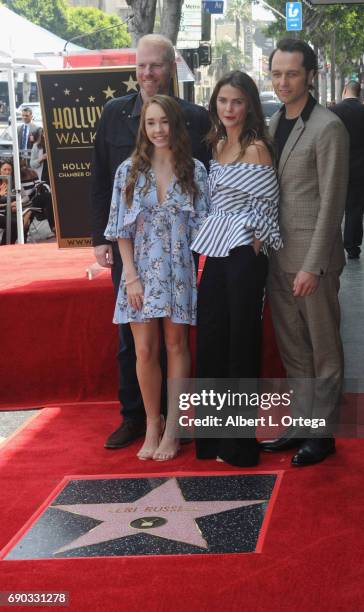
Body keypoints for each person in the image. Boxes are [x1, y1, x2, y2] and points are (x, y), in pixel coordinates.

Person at [91, 34, 210, 450]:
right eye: (150, 123)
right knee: (140, 349)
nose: (146, 73)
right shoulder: (127, 165)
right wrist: (130, 275)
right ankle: (147, 423)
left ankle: (175, 427)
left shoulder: (195, 163)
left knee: (177, 344)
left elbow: (207, 222)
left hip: (179, 267)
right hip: (137, 269)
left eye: (154, 65)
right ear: (142, 126)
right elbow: (114, 215)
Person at [260, 39, 349, 466]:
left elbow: (332, 203)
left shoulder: (328, 127)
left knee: (323, 347)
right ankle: (301, 423)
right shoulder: (274, 121)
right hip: (277, 256)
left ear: (310, 75)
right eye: (277, 73)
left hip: (312, 261)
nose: (282, 81)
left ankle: (324, 433)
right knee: (293, 348)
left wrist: (313, 265)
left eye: (291, 73)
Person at [191, 71, 282, 467]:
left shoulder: (256, 148)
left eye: (237, 102)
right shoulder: (216, 145)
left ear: (249, 106)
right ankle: (211, 438)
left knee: (241, 342)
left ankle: (239, 444)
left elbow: (267, 206)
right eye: (223, 101)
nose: (229, 109)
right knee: (211, 336)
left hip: (245, 251)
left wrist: (256, 242)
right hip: (215, 249)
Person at [331, 81, 364, 260]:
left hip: (337, 167)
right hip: (360, 167)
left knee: (335, 207)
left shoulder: (334, 111)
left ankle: (333, 245)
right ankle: (352, 245)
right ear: (360, 93)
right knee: (356, 208)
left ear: (345, 90)